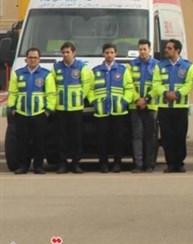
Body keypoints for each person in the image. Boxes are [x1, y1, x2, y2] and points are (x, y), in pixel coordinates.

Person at [151, 39, 193, 173]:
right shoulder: (160, 66)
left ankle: (179, 163)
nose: (166, 50)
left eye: (169, 48)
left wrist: (177, 94)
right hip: (164, 107)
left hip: (180, 107)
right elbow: (156, 83)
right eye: (167, 48)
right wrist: (165, 93)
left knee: (180, 136)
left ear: (177, 50)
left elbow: (189, 84)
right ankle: (170, 163)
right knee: (166, 137)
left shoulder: (188, 66)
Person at [8, 48, 56, 174]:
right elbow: (13, 93)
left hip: (39, 114)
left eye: (35, 57)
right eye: (30, 57)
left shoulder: (46, 74)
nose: (33, 60)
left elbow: (51, 94)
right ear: (26, 59)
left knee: (39, 141)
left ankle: (38, 166)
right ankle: (23, 166)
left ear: (39, 59)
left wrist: (47, 110)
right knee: (22, 141)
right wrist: (12, 108)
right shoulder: (18, 74)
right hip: (21, 113)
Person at [89, 43, 134, 173]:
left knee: (118, 138)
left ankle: (117, 163)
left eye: (111, 52)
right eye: (107, 52)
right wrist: (95, 102)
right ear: (103, 54)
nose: (109, 55)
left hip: (118, 111)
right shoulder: (96, 71)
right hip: (101, 112)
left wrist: (124, 102)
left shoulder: (123, 70)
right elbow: (90, 90)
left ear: (115, 54)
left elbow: (129, 88)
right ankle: (103, 163)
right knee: (102, 139)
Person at [51, 41, 92, 174]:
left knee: (76, 137)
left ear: (74, 53)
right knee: (61, 137)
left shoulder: (81, 67)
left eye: (68, 52)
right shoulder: (56, 67)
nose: (65, 55)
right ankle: (62, 164)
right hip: (61, 108)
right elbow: (52, 87)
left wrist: (80, 97)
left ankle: (76, 164)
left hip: (76, 109)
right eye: (63, 52)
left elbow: (87, 85)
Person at [129, 39, 159, 173]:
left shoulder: (157, 65)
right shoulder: (131, 65)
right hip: (135, 106)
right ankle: (138, 164)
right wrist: (137, 100)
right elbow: (128, 85)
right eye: (140, 49)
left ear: (150, 50)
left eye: (144, 49)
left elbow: (157, 85)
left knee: (150, 136)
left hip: (151, 105)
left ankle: (149, 164)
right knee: (137, 135)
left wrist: (146, 99)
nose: (142, 52)